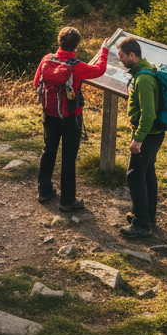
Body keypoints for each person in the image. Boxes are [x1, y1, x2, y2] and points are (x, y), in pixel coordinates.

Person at [35, 26, 111, 213]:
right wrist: (104, 50)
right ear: (76, 44)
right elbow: (99, 70)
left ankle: (44, 191)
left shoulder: (46, 59)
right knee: (69, 158)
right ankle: (67, 201)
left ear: (59, 41)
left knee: (48, 151)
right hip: (71, 117)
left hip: (49, 114)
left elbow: (37, 82)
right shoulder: (76, 66)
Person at [118, 37, 164, 239]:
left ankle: (142, 225)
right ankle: (146, 215)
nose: (119, 59)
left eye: (121, 56)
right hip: (151, 133)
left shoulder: (144, 79)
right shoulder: (143, 71)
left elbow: (148, 114)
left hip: (147, 134)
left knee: (134, 175)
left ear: (132, 55)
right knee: (146, 173)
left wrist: (137, 139)